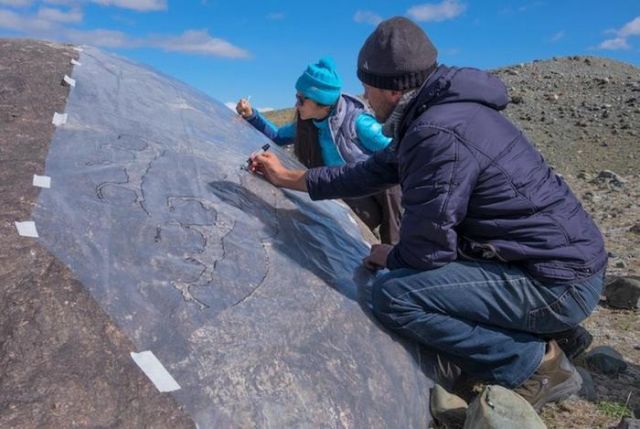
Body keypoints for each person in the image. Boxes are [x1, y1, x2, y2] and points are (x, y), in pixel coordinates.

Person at [248, 17, 608, 412]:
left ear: (389, 87)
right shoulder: (440, 115)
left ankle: (535, 365)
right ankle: (552, 331)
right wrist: (291, 178)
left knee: (395, 294)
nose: (365, 97)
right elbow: (370, 171)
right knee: (413, 275)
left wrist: (394, 256)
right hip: (561, 268)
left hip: (557, 283)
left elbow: (427, 249)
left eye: (367, 86)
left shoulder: (437, 132)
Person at [236, 57, 402, 244]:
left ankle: (393, 251)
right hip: (345, 190)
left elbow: (399, 155)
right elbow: (277, 137)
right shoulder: (308, 123)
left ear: (321, 101)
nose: (296, 105)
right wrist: (252, 115)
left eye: (301, 99)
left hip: (376, 194)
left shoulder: (359, 124)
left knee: (392, 192)